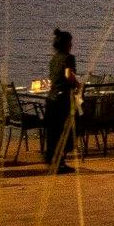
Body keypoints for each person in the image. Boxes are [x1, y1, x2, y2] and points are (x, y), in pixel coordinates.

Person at [42, 28, 79, 172]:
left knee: (53, 132)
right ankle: (60, 161)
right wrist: (77, 84)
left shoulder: (54, 59)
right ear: (66, 43)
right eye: (70, 42)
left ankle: (53, 160)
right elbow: (69, 74)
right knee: (64, 130)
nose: (72, 45)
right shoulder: (68, 58)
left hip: (51, 98)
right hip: (62, 99)